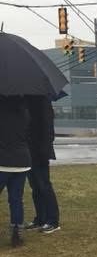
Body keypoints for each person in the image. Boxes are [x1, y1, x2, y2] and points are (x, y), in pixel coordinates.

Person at [25, 95, 61, 234]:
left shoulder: (43, 101)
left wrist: (44, 149)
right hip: (29, 149)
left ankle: (53, 220)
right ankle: (40, 218)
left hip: (40, 151)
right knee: (35, 186)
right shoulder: (27, 100)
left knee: (44, 185)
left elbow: (48, 128)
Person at [0, 95, 31, 247]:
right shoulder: (24, 112)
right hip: (21, 161)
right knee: (16, 199)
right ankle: (16, 234)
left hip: (3, 161)